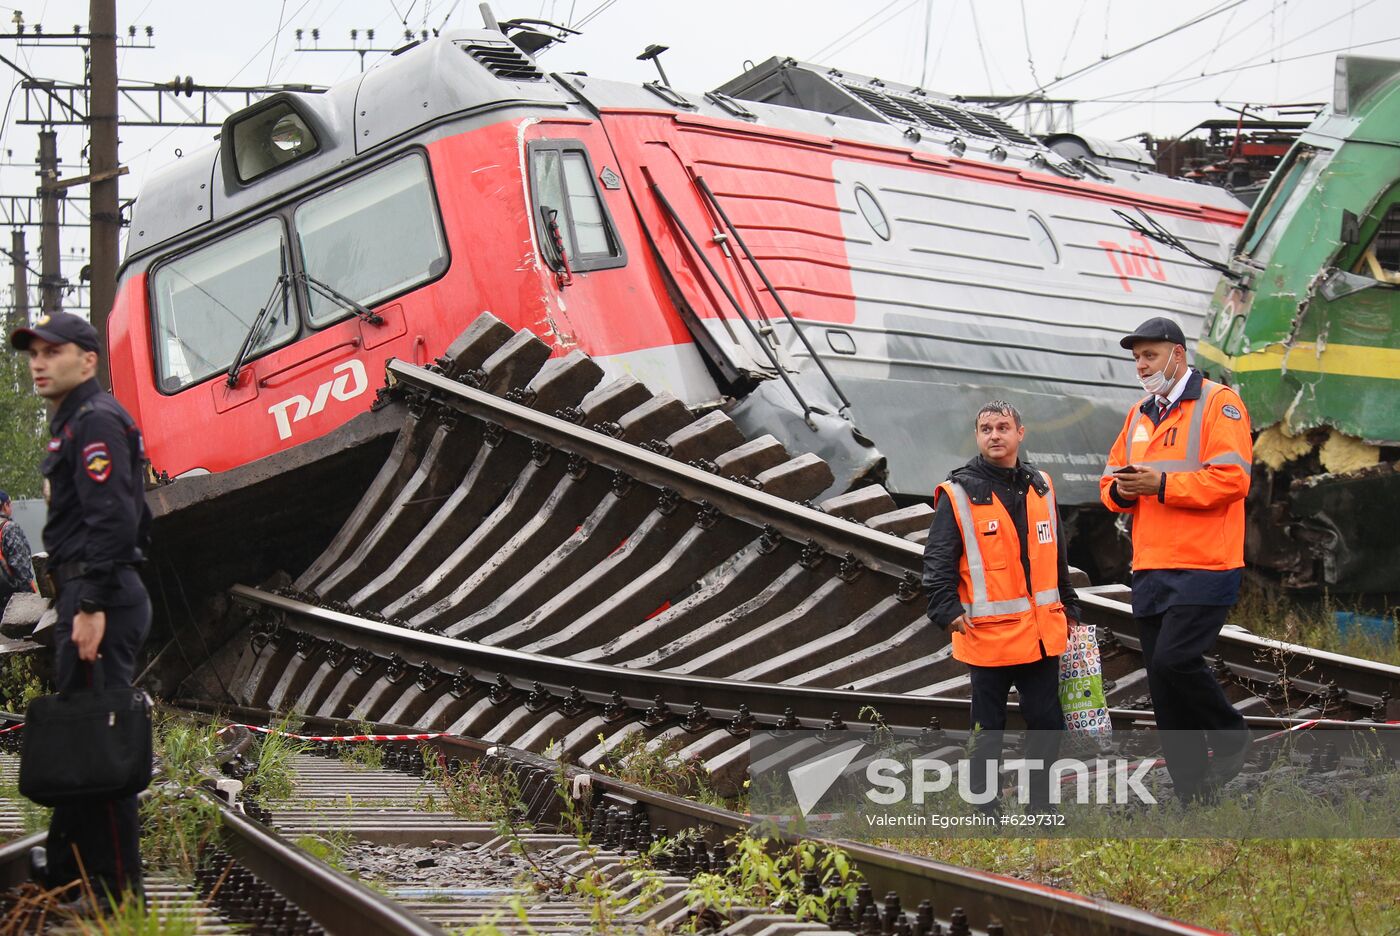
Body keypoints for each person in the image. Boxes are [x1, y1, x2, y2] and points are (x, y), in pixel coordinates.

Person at [10, 312, 152, 910]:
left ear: (87, 360)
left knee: (100, 745)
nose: (38, 362)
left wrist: (90, 602)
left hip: (101, 597)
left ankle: (117, 891)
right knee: (82, 742)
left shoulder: (94, 422)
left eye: (52, 351)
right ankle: (70, 875)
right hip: (85, 594)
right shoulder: (71, 422)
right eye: (32, 353)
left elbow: (114, 519)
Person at [1100, 316, 1251, 803]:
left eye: (1150, 355)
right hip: (1150, 566)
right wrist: (1122, 492)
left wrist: (1160, 485)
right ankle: (1193, 794)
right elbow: (1107, 485)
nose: (1142, 365)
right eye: (1137, 358)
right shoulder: (1138, 415)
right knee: (1163, 684)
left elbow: (1232, 480)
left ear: (1177, 354)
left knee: (1176, 659)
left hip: (1207, 563)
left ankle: (1231, 736)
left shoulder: (1218, 403)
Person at [922, 400, 1079, 814]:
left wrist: (1070, 605)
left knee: (1047, 723)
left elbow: (1056, 554)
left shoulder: (1041, 485)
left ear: (1019, 434)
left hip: (1041, 633)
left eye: (1003, 427)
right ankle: (984, 807)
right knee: (987, 727)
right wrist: (945, 608)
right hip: (988, 635)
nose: (995, 435)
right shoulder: (957, 494)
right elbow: (937, 559)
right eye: (986, 428)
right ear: (977, 436)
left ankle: (1041, 805)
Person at [0, 491, 38, 607]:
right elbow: (20, 567)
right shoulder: (9, 528)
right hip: (10, 601)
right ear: (5, 506)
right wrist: (30, 599)